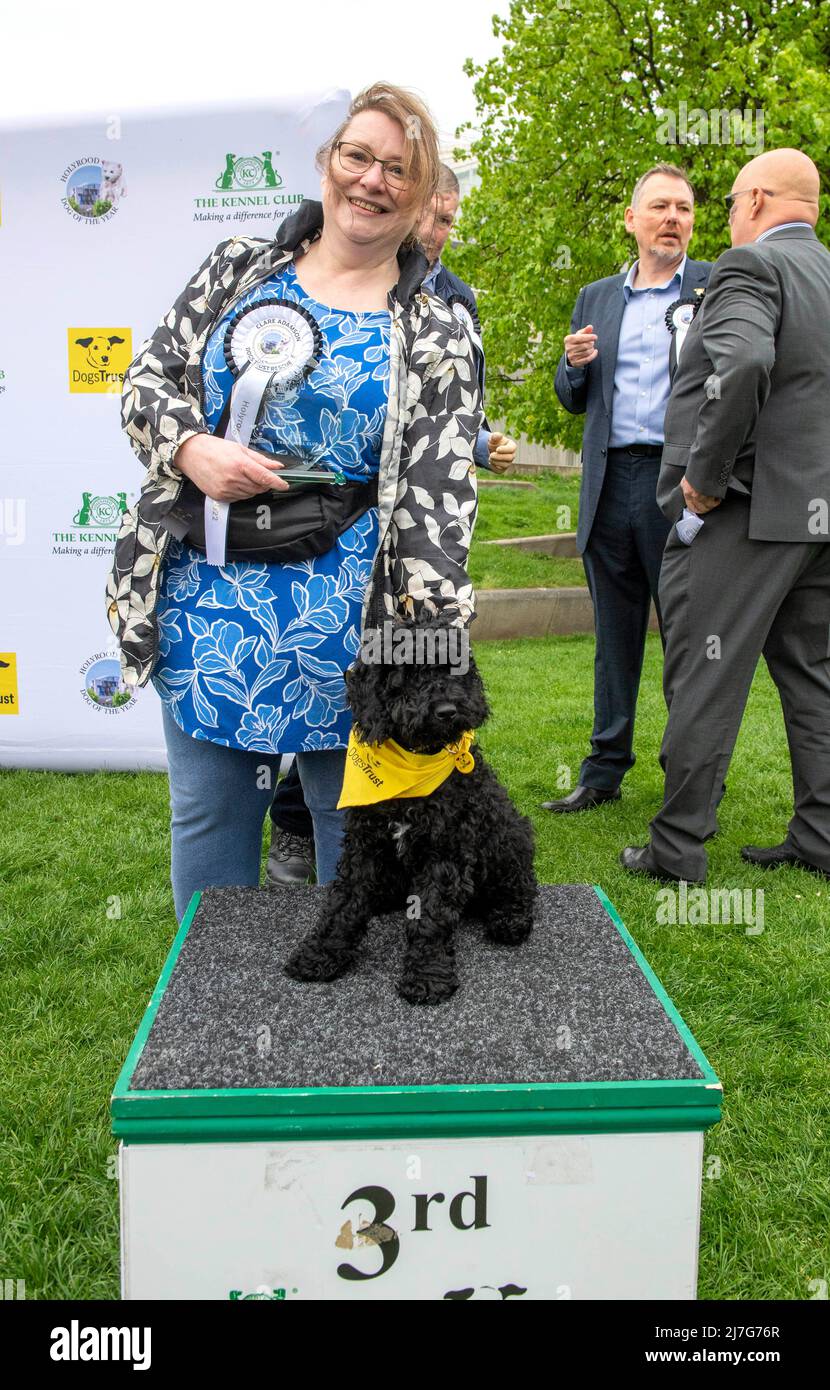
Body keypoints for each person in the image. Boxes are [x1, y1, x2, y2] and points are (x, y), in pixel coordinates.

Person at [106, 83, 481, 920]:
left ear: (422, 199)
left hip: (354, 620)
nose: (372, 180)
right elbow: (146, 380)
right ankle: (209, 1012)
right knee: (209, 819)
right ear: (327, 163)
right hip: (210, 597)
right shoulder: (239, 265)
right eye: (359, 156)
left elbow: (440, 489)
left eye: (398, 170)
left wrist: (437, 633)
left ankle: (344, 1030)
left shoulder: (439, 323)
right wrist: (192, 448)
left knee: (355, 835)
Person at [267, 162, 517, 887]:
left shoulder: (452, 304)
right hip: (267, 539)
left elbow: (444, 430)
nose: (441, 231)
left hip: (383, 557)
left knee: (371, 708)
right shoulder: (278, 278)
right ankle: (294, 831)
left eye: (448, 221)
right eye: (435, 216)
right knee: (333, 703)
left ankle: (356, 858)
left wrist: (477, 443)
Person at [620, 148, 830, 883]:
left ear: (761, 201)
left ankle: (677, 848)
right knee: (812, 677)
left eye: (736, 201)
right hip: (817, 517)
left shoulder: (749, 268)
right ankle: (820, 835)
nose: (730, 216)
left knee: (706, 674)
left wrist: (704, 482)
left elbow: (742, 365)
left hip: (748, 509)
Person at [545, 165, 712, 813]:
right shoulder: (596, 297)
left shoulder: (714, 285)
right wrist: (571, 364)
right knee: (614, 640)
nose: (673, 218)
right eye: (660, 207)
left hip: (683, 487)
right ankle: (603, 772)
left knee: (688, 640)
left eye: (684, 209)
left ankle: (691, 772)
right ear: (633, 220)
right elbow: (570, 400)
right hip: (610, 485)